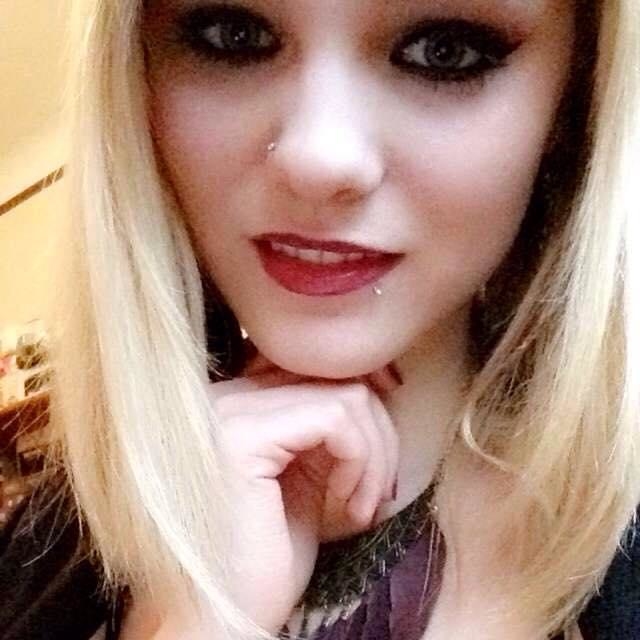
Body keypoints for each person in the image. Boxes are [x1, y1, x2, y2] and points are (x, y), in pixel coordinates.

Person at [1, 0, 638, 638]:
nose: (318, 159)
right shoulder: (37, 553)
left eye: (445, 50)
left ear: (575, 97)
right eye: (234, 36)